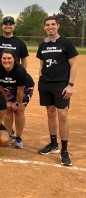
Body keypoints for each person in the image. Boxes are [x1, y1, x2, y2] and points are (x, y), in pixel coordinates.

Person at [37, 16, 78, 166]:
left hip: (61, 84)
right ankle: (53, 144)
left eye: (53, 24)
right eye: (47, 25)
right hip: (46, 84)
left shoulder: (66, 43)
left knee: (62, 116)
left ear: (58, 26)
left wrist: (70, 85)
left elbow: (73, 65)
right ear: (44, 27)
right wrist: (40, 81)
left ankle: (64, 150)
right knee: (50, 113)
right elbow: (42, 65)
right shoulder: (43, 45)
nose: (50, 27)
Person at [0, 49, 34, 149]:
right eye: (4, 58)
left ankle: (19, 137)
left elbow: (20, 89)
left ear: (14, 59)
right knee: (7, 110)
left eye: (9, 58)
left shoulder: (19, 70)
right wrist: (6, 101)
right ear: (0, 59)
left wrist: (17, 103)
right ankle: (9, 135)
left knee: (19, 111)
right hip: (8, 88)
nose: (7, 61)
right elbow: (0, 87)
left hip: (25, 87)